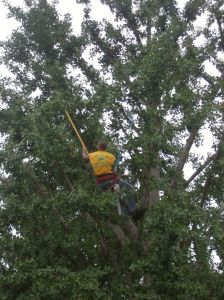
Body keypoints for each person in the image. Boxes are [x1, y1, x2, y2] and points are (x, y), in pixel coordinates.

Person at [82, 141, 136, 215]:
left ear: (98, 147)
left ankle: (120, 210)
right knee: (130, 189)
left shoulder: (92, 155)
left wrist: (84, 149)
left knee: (114, 197)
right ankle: (131, 210)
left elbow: (84, 157)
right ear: (106, 148)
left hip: (100, 183)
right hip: (111, 179)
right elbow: (114, 168)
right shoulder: (111, 156)